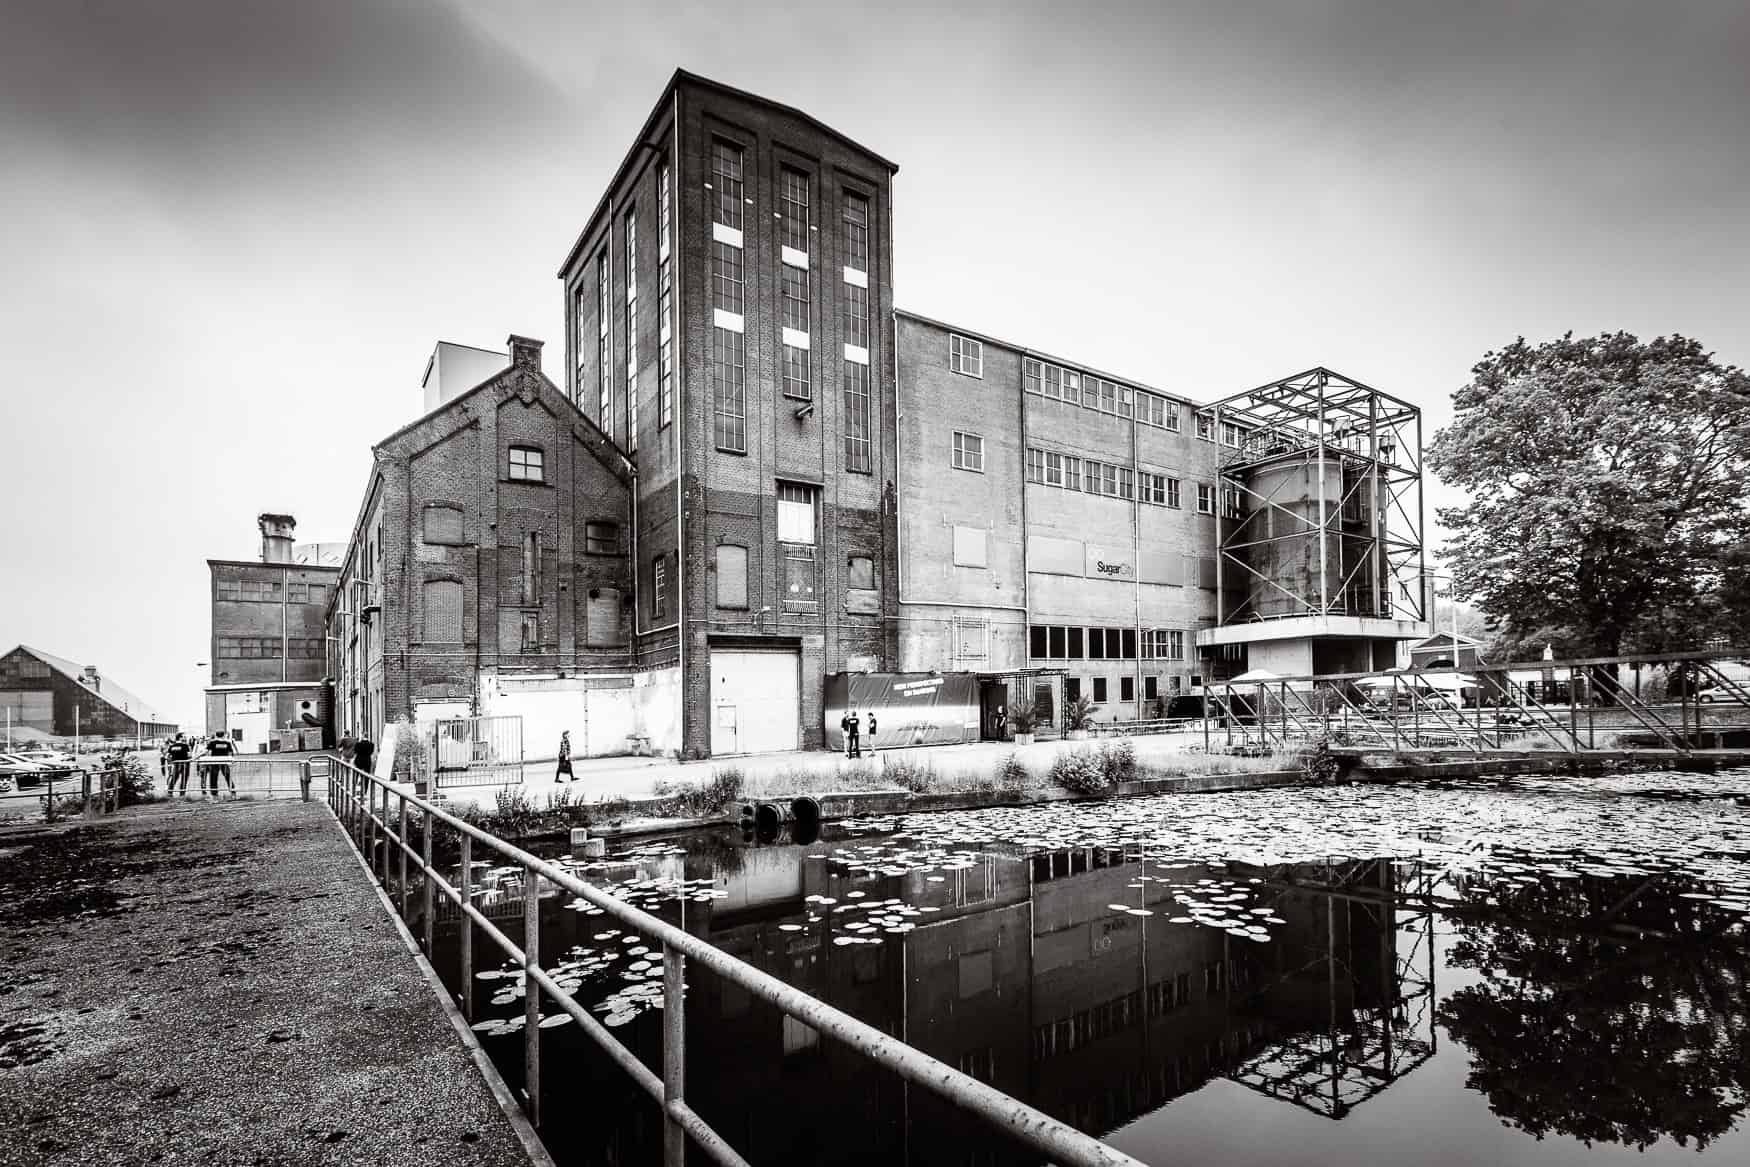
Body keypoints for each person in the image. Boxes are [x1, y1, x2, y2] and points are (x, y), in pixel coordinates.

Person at [202, 732, 236, 797]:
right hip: (224, 762)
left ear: (216, 736)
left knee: (213, 778)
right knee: (228, 777)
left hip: (215, 762)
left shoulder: (212, 743)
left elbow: (205, 751)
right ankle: (233, 792)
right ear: (223, 736)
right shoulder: (227, 743)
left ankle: (214, 794)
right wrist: (231, 761)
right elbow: (231, 753)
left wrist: (196, 757)